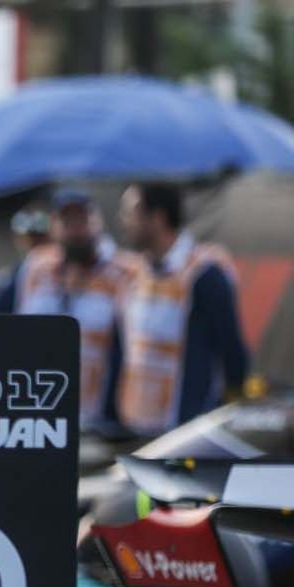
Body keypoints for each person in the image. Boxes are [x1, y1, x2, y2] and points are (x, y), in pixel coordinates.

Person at [0, 188, 151, 433]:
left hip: (100, 423)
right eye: (67, 221)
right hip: (35, 415)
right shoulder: (35, 266)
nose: (76, 229)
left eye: (82, 220)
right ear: (54, 226)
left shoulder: (127, 271)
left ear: (98, 222)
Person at [116, 182, 250, 436]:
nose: (124, 221)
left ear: (156, 218)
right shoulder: (134, 273)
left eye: (130, 213)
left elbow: (233, 352)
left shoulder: (204, 272)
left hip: (183, 431)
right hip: (135, 428)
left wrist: (221, 417)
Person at [0, 203, 50, 314]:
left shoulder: (60, 267)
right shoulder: (16, 272)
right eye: (30, 236)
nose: (34, 241)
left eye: (39, 236)